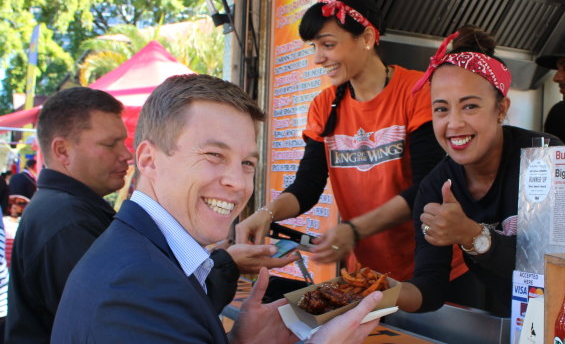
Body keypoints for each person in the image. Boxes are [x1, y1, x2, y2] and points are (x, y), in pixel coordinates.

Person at [51, 74, 384, 344]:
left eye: (247, 163)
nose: (238, 183)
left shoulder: (150, 257)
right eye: (214, 155)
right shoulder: (138, 288)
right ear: (149, 160)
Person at [236, 0, 468, 285]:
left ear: (367, 37)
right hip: (368, 273)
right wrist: (266, 214)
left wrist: (354, 230)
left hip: (435, 269)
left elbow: (425, 189)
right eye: (314, 47)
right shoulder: (324, 105)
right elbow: (307, 187)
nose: (318, 58)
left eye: (328, 44)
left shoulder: (418, 92)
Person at [396, 26, 563, 317]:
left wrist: (472, 235)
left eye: (470, 106)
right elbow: (430, 287)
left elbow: (555, 267)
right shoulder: (435, 187)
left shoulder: (545, 157)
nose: (454, 124)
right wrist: (376, 294)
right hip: (512, 315)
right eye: (441, 109)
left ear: (501, 109)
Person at [5, 87, 133, 343]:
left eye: (124, 142)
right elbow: (121, 324)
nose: (127, 155)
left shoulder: (66, 210)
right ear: (62, 151)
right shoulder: (69, 222)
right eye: (110, 144)